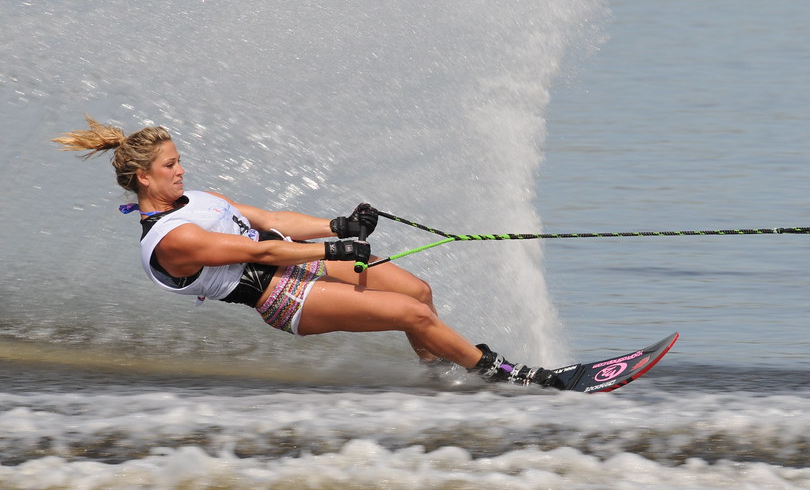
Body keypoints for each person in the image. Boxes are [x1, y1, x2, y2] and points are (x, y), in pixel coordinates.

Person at [53, 117, 563, 388]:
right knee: (409, 314)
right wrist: (329, 246)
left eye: (180, 160)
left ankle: (440, 376)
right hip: (279, 295)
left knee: (418, 294)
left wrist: (338, 224)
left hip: (298, 258)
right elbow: (258, 254)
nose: (181, 170)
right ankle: (507, 375)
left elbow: (271, 223)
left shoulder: (200, 200)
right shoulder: (171, 239)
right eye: (171, 165)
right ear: (144, 178)